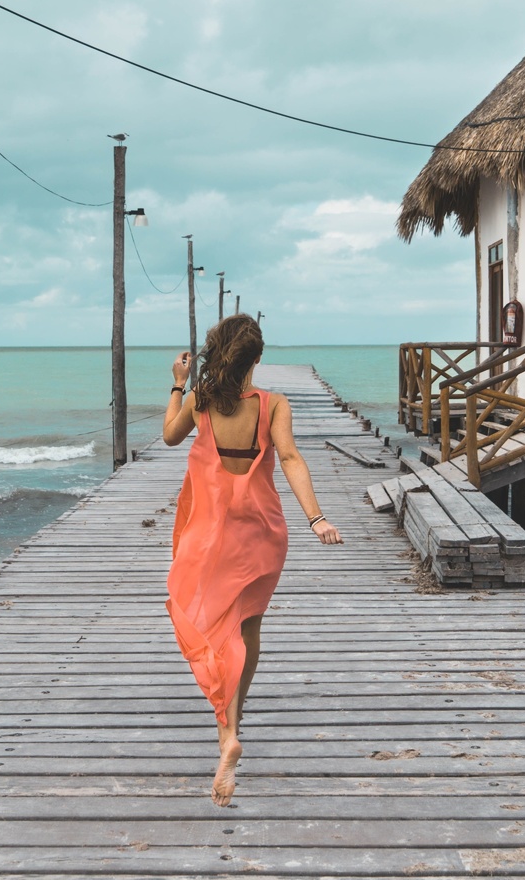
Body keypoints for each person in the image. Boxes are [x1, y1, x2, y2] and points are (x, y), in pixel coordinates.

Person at [160, 314, 341, 806]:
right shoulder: (273, 404)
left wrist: (178, 386)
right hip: (262, 533)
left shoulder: (200, 400)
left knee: (206, 621)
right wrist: (317, 519)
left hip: (209, 533)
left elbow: (170, 437)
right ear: (256, 359)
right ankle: (233, 725)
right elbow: (290, 459)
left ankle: (226, 731)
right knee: (248, 629)